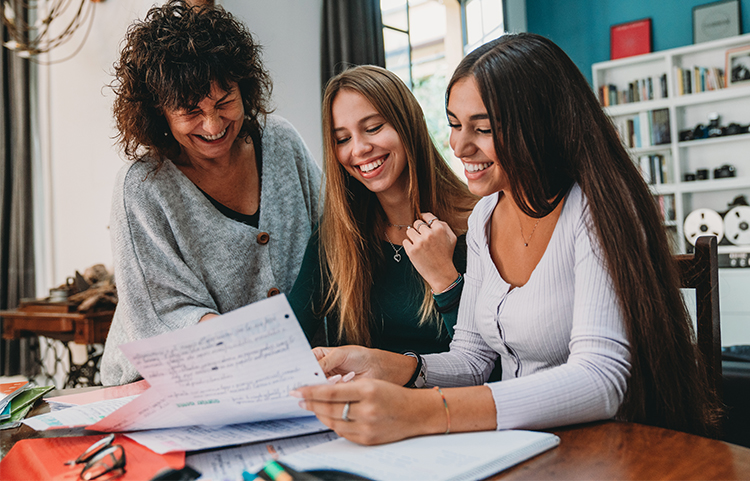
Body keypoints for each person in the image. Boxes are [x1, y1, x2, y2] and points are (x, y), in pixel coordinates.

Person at [291, 33, 720, 445]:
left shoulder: (596, 209)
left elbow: (601, 379)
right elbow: (474, 360)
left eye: (482, 128)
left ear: (539, 126)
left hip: (608, 445)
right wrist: (391, 366)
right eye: (455, 125)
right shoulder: (484, 218)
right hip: (526, 443)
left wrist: (422, 410)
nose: (458, 146)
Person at [101, 0, 321, 385]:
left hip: (285, 373)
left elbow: (330, 235)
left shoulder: (281, 141)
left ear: (244, 88)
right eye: (190, 111)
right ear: (159, 112)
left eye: (225, 102)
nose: (214, 124)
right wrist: (257, 360)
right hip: (160, 384)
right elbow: (165, 313)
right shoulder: (141, 188)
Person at [288, 65, 479, 356]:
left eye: (373, 128)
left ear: (408, 124)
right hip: (362, 401)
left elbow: (492, 360)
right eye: (342, 139)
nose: (359, 149)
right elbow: (290, 337)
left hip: (448, 399)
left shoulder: (478, 222)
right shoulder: (337, 233)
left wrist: (447, 281)